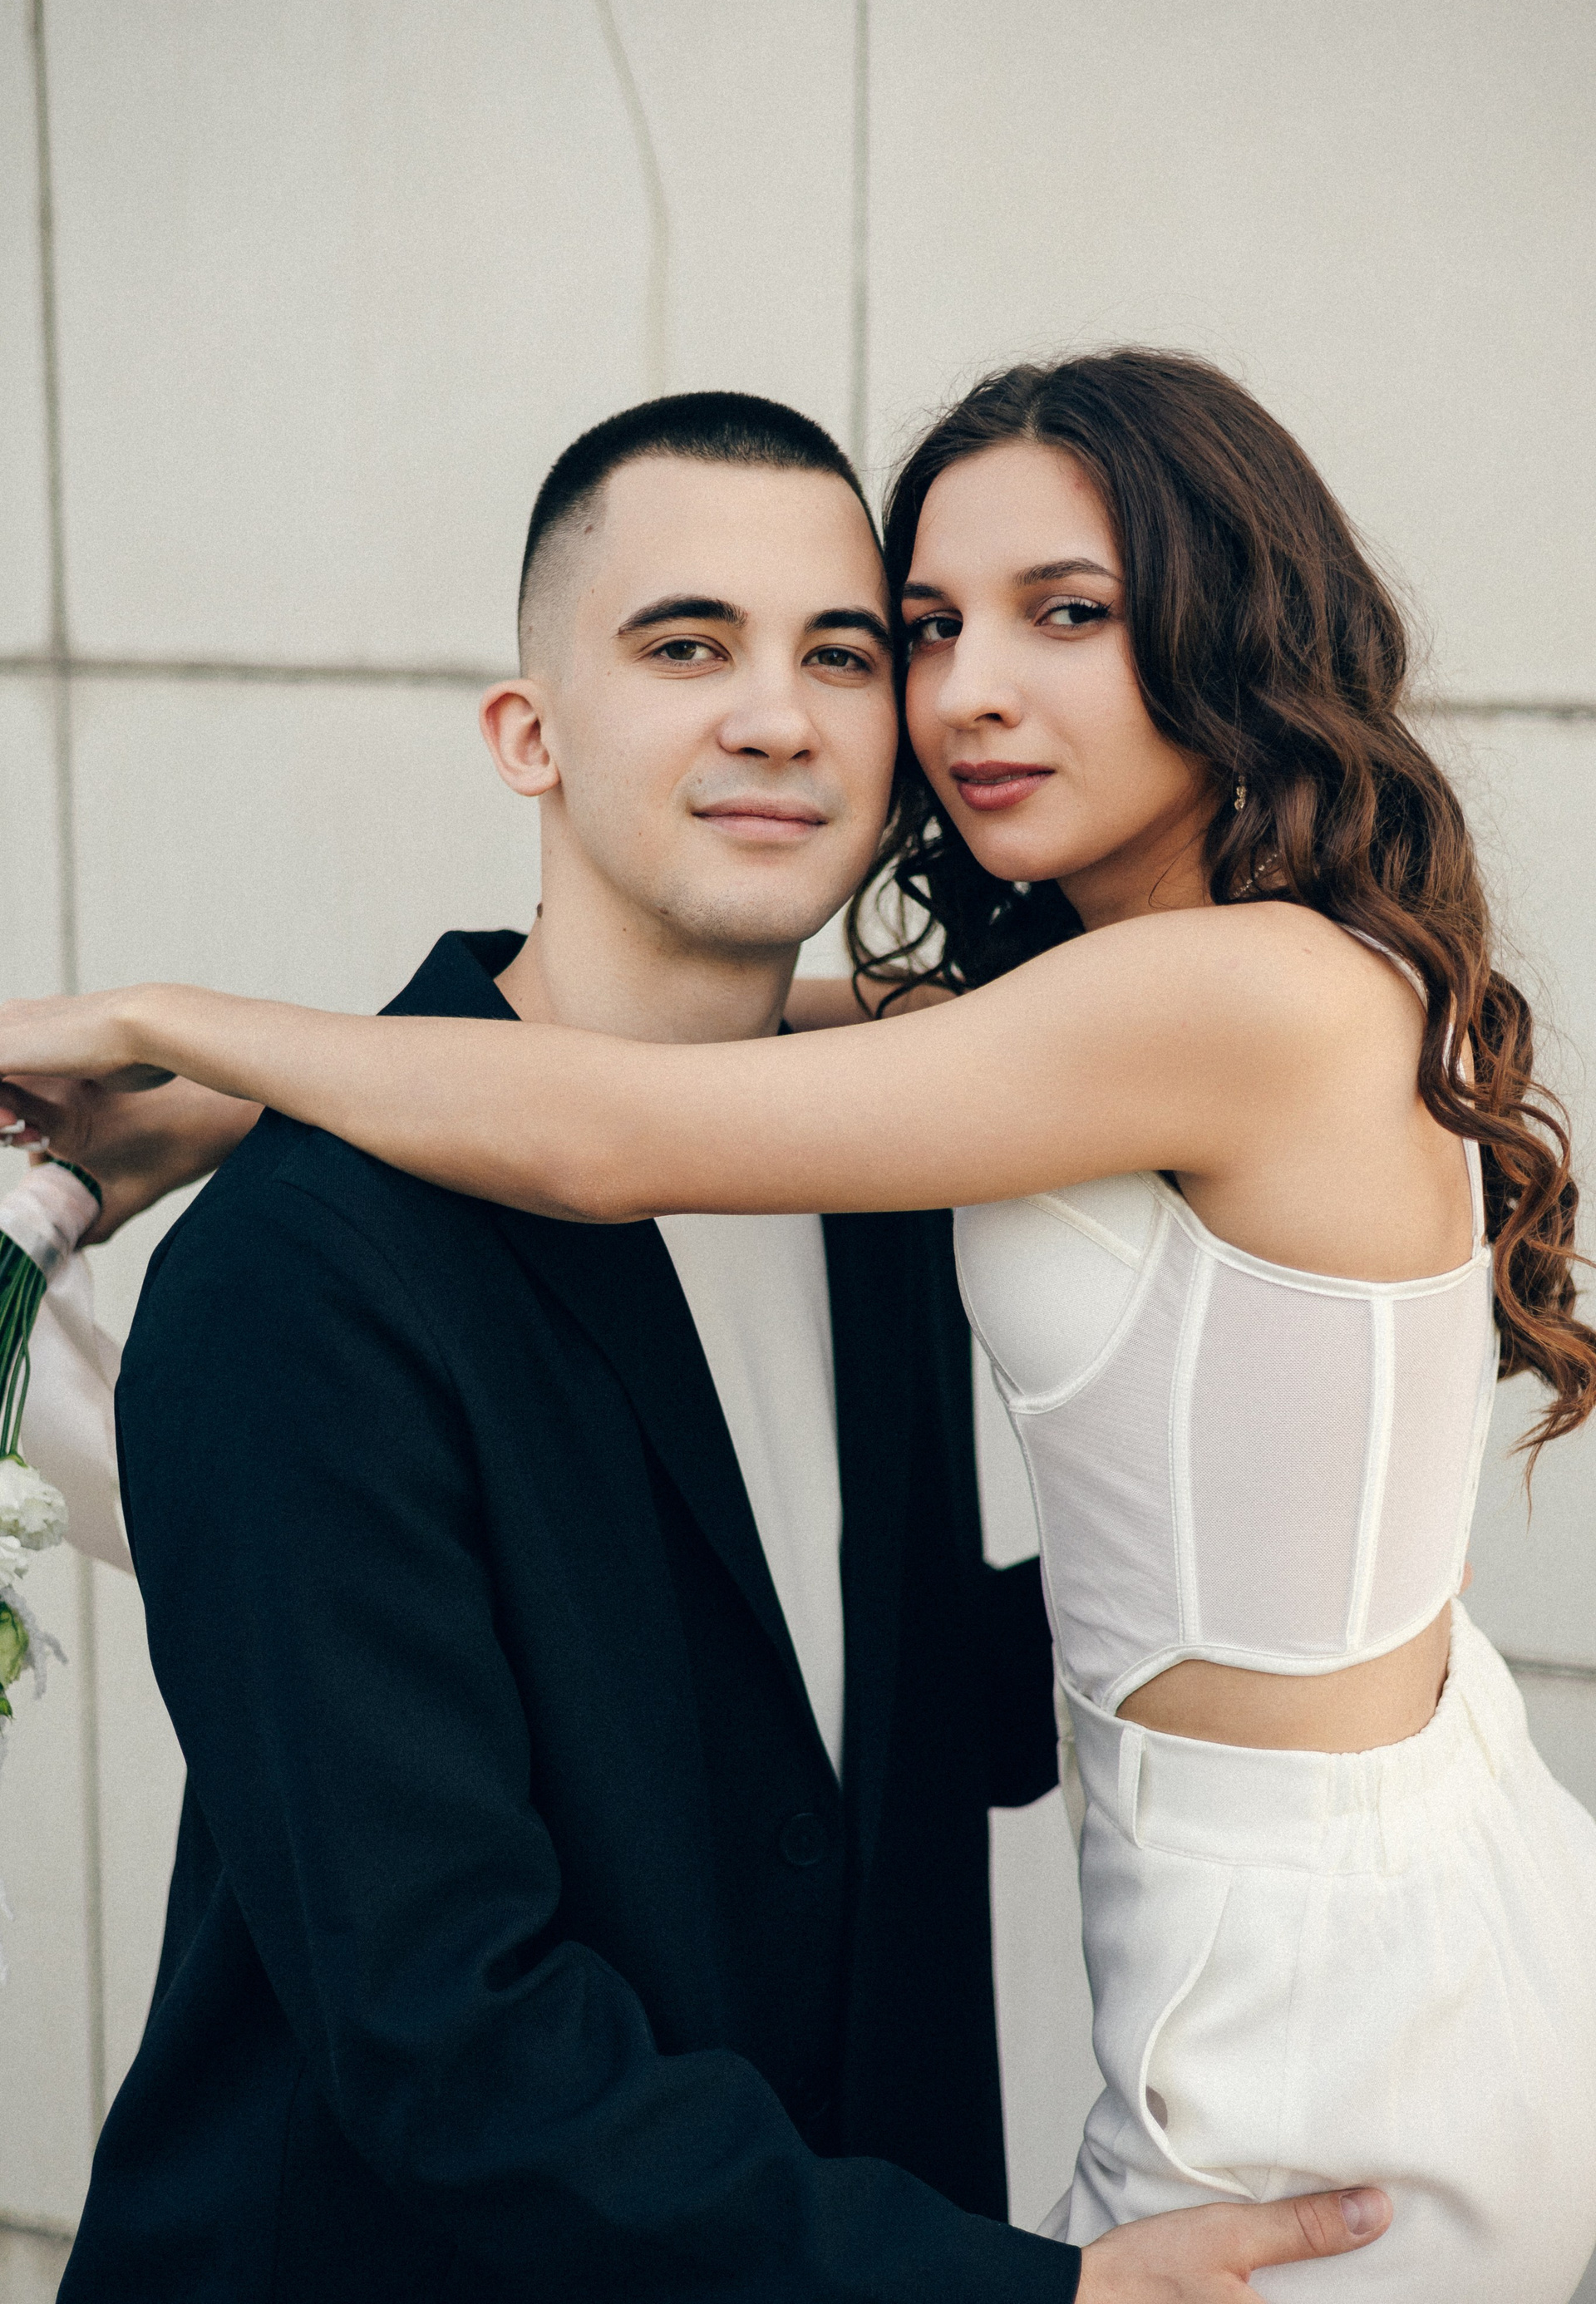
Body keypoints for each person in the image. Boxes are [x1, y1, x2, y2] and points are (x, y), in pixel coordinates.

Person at [0, 389, 1384, 2303]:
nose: (778, 718)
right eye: (685, 647)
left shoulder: (895, 1157)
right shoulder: (303, 1270)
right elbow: (441, 2031)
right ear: (529, 732)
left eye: (845, 653)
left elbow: (871, 1706)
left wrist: (1293, 1629)